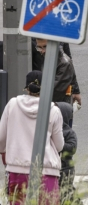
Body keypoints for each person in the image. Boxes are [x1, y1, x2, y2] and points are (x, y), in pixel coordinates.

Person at [0, 70, 64, 205]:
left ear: (27, 88)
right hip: (46, 172)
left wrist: (5, 152)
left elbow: (1, 138)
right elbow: (59, 145)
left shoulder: (12, 104)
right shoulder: (53, 110)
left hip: (17, 171)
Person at [34, 38, 82, 107]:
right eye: (39, 47)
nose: (42, 51)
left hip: (58, 109)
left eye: (45, 46)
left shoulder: (63, 64)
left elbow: (54, 93)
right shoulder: (48, 57)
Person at [56, 102, 77, 204]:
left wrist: (59, 144)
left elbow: (72, 148)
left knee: (67, 193)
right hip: (56, 168)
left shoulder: (69, 132)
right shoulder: (52, 128)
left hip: (66, 169)